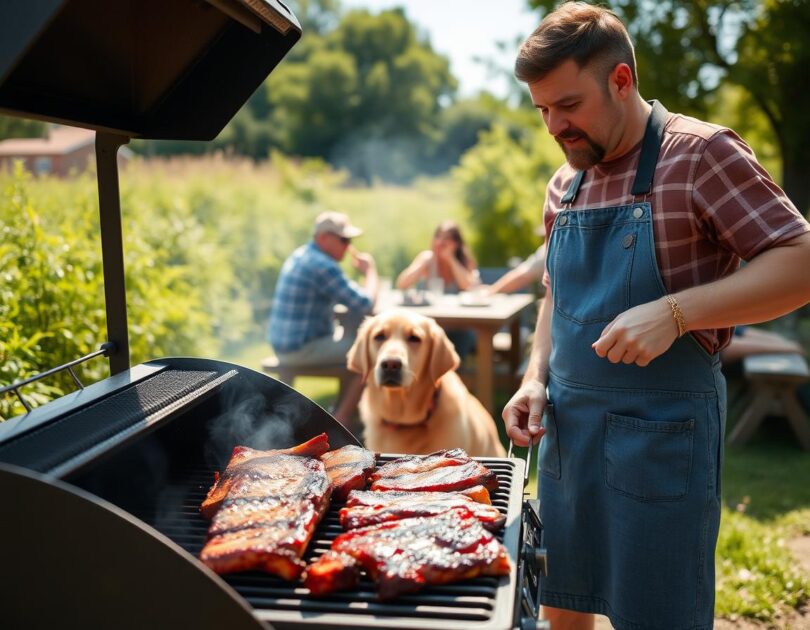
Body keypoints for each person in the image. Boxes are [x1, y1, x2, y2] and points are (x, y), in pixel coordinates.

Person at [502, 4, 810, 630]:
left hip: (661, 443)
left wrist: (676, 312)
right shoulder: (566, 182)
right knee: (562, 607)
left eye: (568, 105)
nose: (555, 126)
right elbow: (555, 293)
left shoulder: (700, 154)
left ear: (621, 80)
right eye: (543, 111)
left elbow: (799, 262)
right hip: (568, 440)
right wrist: (535, 378)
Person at [268, 211, 378, 426]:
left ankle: (341, 409)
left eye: (350, 240)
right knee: (369, 354)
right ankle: (342, 419)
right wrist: (370, 272)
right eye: (344, 239)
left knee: (353, 343)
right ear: (323, 238)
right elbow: (365, 303)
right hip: (300, 350)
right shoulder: (323, 265)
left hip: (284, 345)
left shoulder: (302, 254)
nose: (348, 245)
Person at [396, 220, 480, 359]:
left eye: (447, 239)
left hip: (460, 326)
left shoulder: (464, 261)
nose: (441, 242)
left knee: (459, 343)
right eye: (438, 237)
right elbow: (402, 284)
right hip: (432, 324)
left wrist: (451, 259)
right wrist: (423, 263)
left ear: (457, 243)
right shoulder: (428, 259)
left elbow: (468, 286)